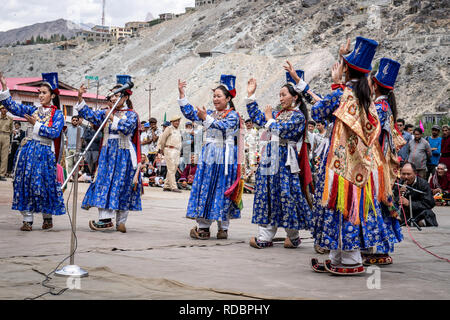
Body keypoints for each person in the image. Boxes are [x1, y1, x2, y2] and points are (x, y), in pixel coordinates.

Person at [310, 37, 390, 275]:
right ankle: (338, 256)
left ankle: (351, 259)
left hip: (340, 165)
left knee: (341, 207)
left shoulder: (341, 95)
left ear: (345, 70)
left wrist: (335, 86)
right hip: (359, 165)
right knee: (349, 208)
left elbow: (317, 112)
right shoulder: (367, 98)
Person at [246, 62, 313, 249]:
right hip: (270, 158)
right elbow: (259, 118)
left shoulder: (298, 117)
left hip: (285, 160)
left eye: (284, 95)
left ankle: (293, 235)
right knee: (267, 193)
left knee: (286, 195)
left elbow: (280, 130)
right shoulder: (278, 113)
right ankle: (265, 236)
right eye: (280, 95)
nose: (281, 98)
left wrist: (269, 120)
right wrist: (251, 96)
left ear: (295, 97)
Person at [178, 75, 242, 240]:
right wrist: (182, 95)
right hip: (209, 155)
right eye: (214, 96)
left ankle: (223, 228)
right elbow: (192, 114)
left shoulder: (233, 115)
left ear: (228, 98)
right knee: (206, 187)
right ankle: (204, 227)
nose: (215, 99)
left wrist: (206, 117)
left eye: (219, 96)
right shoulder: (212, 113)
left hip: (224, 157)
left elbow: (223, 127)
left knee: (223, 188)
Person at [75, 75, 142, 233]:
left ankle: (121, 221)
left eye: (117, 95)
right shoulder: (104, 112)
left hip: (124, 154)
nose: (113, 97)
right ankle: (105, 219)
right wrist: (80, 98)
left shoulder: (132, 114)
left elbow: (127, 128)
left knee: (122, 185)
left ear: (125, 97)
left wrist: (112, 117)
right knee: (104, 183)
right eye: (112, 94)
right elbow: (90, 115)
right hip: (107, 154)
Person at [0, 71, 66, 231]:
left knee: (43, 184)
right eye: (39, 93)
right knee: (24, 183)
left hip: (44, 153)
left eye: (44, 93)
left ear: (52, 95)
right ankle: (27, 220)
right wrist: (4, 87)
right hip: (27, 152)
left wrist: (37, 124)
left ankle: (47, 217)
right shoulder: (32, 110)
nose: (41, 96)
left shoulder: (57, 114)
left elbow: (54, 133)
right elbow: (13, 106)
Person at [362, 57, 406, 266]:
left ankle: (378, 247)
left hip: (374, 164)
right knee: (380, 204)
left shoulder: (378, 108)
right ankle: (380, 246)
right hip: (380, 164)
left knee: (374, 205)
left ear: (374, 85)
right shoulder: (385, 106)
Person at [394, 162, 438, 227]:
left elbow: (429, 203)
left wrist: (409, 203)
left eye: (408, 174)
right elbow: (394, 200)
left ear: (415, 173)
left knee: (428, 213)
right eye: (403, 174)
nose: (406, 177)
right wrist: (399, 195)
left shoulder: (423, 184)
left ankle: (419, 222)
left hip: (418, 212)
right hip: (405, 213)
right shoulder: (399, 184)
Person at [158, 115, 182, 193]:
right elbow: (163, 139)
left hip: (177, 150)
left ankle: (166, 185)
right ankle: (173, 187)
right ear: (172, 122)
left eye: (178, 121)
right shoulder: (169, 129)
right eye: (175, 121)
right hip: (169, 149)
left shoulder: (178, 130)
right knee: (171, 168)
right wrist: (161, 149)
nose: (177, 122)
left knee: (173, 168)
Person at [0, 105, 13, 181]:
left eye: (5, 108)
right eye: (3, 108)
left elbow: (11, 129)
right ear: (0, 109)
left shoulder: (10, 119)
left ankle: (2, 174)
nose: (4, 110)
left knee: (4, 156)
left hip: (6, 136)